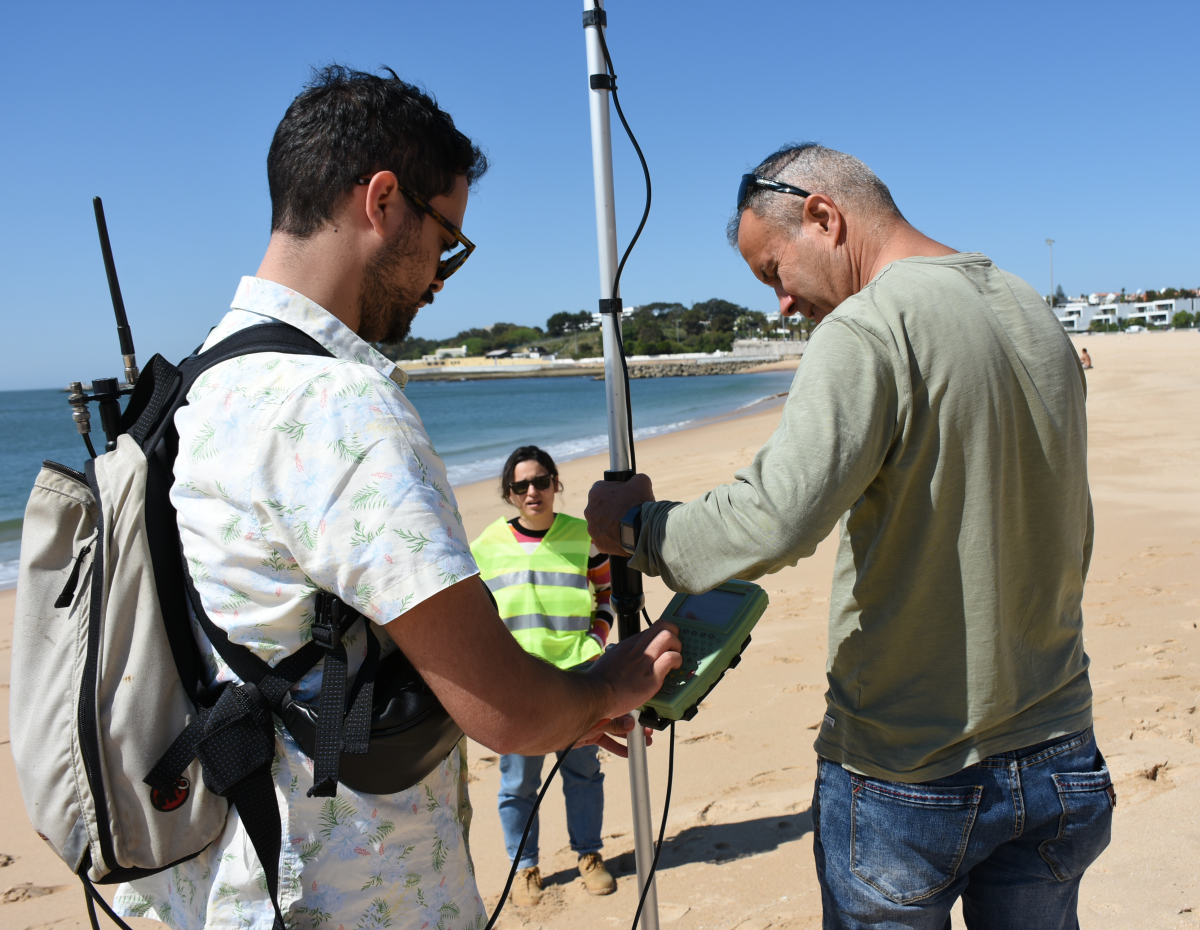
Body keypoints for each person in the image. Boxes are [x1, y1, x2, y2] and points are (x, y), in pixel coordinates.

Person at [113, 66, 680, 930]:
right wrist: (609, 685)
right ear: (383, 201)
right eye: (448, 238)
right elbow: (505, 708)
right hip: (347, 888)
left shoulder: (195, 384)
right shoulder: (340, 406)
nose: (444, 276)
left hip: (213, 872)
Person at [586, 144, 1111, 929]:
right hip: (1061, 748)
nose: (782, 307)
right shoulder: (1027, 303)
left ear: (824, 217)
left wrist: (637, 527)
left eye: (774, 271)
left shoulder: (870, 325)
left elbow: (772, 519)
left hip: (912, 767)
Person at [470, 446, 618, 906]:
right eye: (521, 486)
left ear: (556, 483)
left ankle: (589, 855)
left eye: (540, 481)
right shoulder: (486, 545)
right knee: (518, 784)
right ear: (509, 494)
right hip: (518, 685)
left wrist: (595, 642)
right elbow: (473, 615)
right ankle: (525, 865)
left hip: (577, 675)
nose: (532, 491)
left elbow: (605, 595)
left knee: (583, 771)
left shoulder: (583, 536)